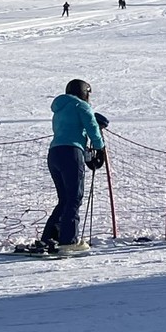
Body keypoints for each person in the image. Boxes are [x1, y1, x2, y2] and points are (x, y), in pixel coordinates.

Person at [38, 79, 107, 255]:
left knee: (64, 199)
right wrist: (99, 147)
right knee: (74, 197)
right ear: (84, 92)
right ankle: (68, 240)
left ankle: (49, 237)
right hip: (71, 152)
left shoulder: (59, 108)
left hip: (54, 153)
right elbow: (92, 127)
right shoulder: (81, 106)